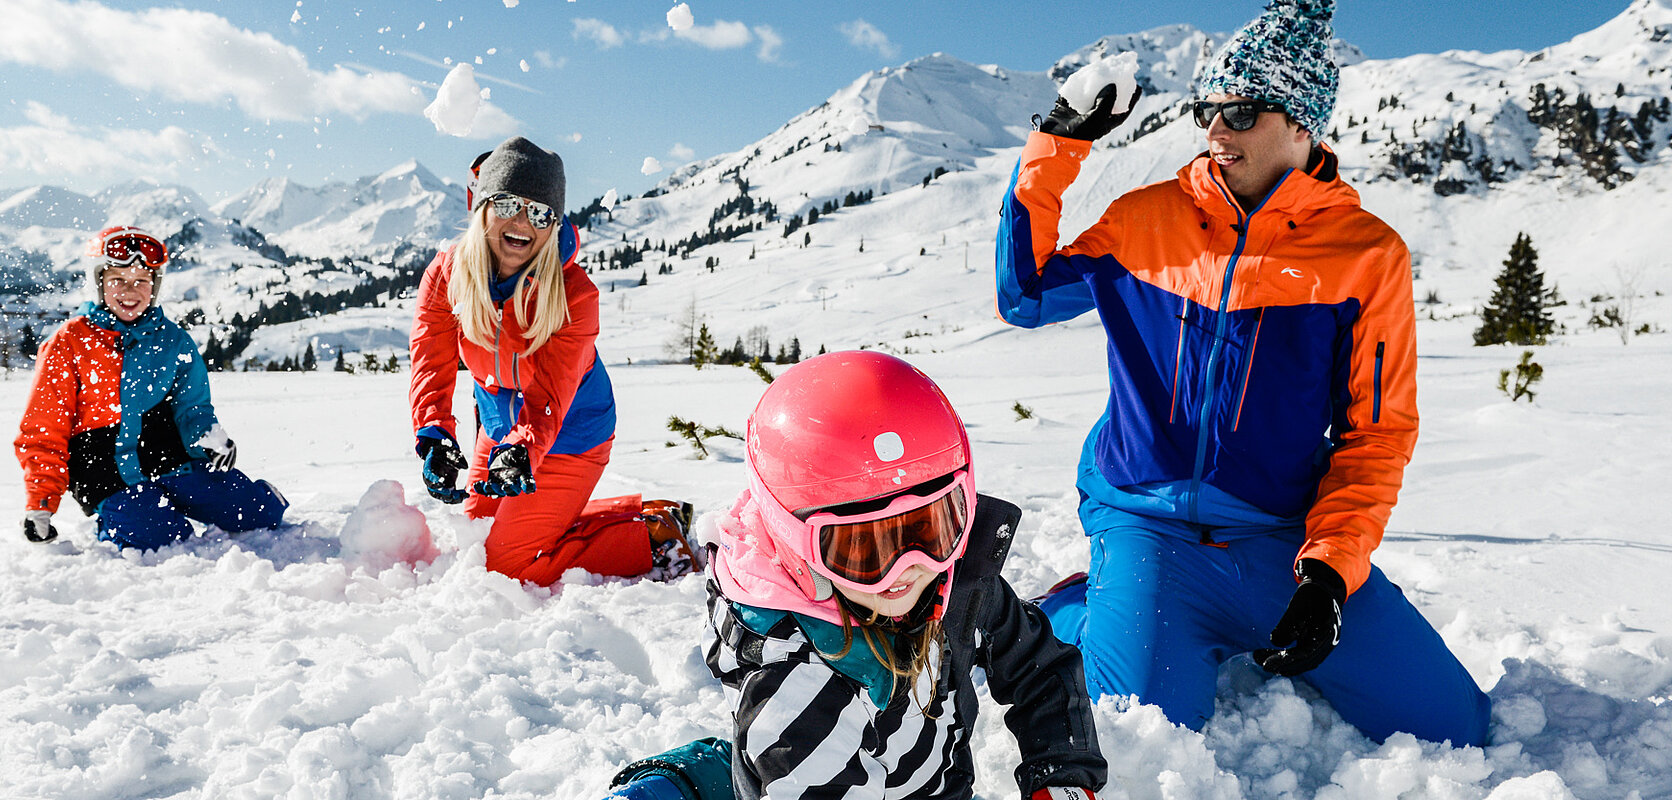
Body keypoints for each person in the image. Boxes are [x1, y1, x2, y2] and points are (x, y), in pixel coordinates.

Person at [994, 0, 1489, 746]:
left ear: (1301, 124)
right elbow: (1024, 296)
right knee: (1140, 746)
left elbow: (1376, 432)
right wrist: (1058, 147)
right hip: (1147, 524)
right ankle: (1081, 605)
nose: (1215, 132)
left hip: (1281, 539)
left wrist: (1327, 574)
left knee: (1456, 726)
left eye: (1242, 112)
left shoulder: (1365, 254)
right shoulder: (1143, 219)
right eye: (1207, 111)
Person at [703, 351, 1106, 800]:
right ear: (794, 542)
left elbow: (1041, 669)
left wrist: (1064, 777)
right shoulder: (797, 695)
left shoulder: (953, 581)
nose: (906, 569)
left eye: (928, 528)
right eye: (862, 548)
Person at [408, 136, 697, 585]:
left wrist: (523, 450)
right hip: (502, 426)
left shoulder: (575, 295)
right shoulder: (447, 273)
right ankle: (626, 514)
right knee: (474, 537)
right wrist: (434, 431)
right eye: (507, 204)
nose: (523, 222)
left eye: (540, 212)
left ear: (554, 223)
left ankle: (652, 538)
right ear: (483, 206)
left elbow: (551, 395)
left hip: (570, 430)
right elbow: (431, 358)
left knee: (506, 567)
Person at [16, 225, 287, 549]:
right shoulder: (69, 343)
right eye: (118, 280)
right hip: (103, 470)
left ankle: (243, 498)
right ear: (99, 283)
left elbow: (192, 405)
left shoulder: (172, 340)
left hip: (165, 456)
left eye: (141, 281)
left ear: (154, 286)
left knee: (257, 514)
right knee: (162, 539)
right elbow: (44, 430)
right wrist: (41, 502)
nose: (130, 291)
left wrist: (208, 437)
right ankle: (118, 518)